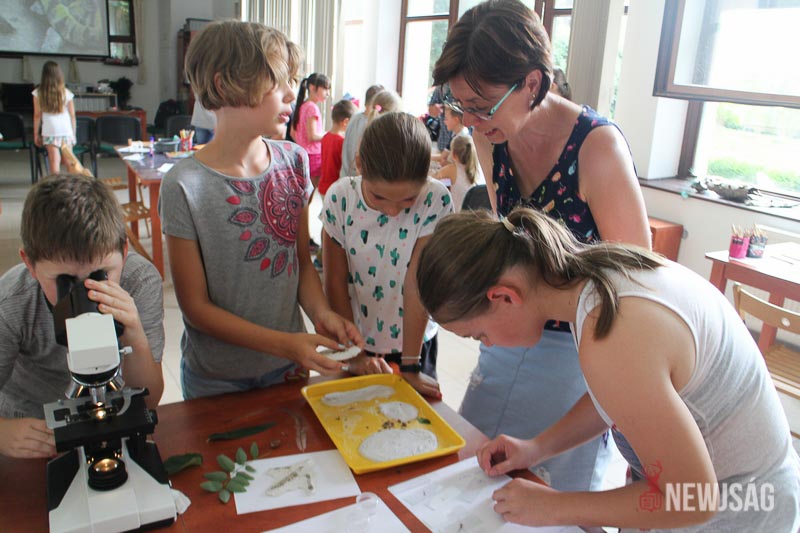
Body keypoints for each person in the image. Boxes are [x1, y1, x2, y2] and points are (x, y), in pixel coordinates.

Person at [417, 207, 800, 531]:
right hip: (713, 488)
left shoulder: (616, 330)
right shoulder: (594, 279)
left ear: (504, 296)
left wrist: (555, 506)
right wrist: (537, 448)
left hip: (743, 506)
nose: (487, 345)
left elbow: (694, 499)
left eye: (479, 334)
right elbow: (622, 399)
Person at [431, 0, 652, 492]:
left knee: (552, 488)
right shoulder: (491, 137)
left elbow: (636, 291)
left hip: (584, 345)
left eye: (482, 105)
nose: (471, 120)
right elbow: (510, 244)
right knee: (477, 469)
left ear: (532, 83)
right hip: (514, 325)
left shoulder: (597, 149)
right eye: (461, 105)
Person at [160, 20, 362, 400]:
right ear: (224, 85)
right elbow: (196, 308)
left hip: (286, 368)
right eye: (277, 80)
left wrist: (322, 315)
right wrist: (286, 344)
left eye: (292, 80)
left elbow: (300, 264)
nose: (291, 93)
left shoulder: (294, 162)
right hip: (216, 378)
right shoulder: (184, 185)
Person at [0, 174, 165, 458]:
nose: (85, 293)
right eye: (65, 280)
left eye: (100, 275)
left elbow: (148, 400)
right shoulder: (12, 303)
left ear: (124, 250)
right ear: (30, 264)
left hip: (111, 413)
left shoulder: (139, 282)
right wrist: (3, 433)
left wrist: (134, 333)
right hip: (32, 428)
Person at [322, 112, 452, 398]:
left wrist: (410, 365)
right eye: (379, 197)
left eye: (408, 199)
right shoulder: (340, 198)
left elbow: (417, 283)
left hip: (414, 344)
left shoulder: (435, 199)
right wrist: (354, 353)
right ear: (359, 165)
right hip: (356, 337)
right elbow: (334, 281)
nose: (392, 211)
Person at [32, 61, 76, 175]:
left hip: (50, 130)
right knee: (69, 161)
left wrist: (36, 134)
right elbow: (72, 115)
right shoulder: (66, 92)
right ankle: (73, 184)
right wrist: (73, 134)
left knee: (54, 161)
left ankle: (55, 184)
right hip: (66, 130)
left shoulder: (38, 93)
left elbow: (37, 115)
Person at [291, 72, 330, 187]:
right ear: (312, 88)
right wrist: (328, 135)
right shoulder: (312, 108)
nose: (328, 93)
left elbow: (293, 133)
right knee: (310, 193)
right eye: (325, 89)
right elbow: (312, 136)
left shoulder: (302, 105)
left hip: (300, 153)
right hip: (313, 157)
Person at [340, 84, 384, 178]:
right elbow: (357, 156)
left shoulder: (355, 117)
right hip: (355, 179)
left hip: (347, 175)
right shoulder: (367, 124)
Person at [435, 134, 485, 211]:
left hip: (457, 214)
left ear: (454, 155)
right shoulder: (478, 169)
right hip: (473, 214)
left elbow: (432, 179)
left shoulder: (452, 169)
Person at [318, 98, 357, 198]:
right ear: (346, 122)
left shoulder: (325, 137)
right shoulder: (341, 142)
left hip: (323, 186)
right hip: (335, 189)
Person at [428, 85, 453, 161]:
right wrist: (434, 109)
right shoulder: (441, 86)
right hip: (443, 143)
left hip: (464, 148)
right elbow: (431, 110)